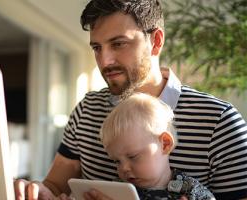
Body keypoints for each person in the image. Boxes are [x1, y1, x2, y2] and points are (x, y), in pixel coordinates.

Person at [14, 0, 247, 199]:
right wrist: (40, 190)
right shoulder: (86, 111)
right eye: (97, 47)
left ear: (156, 41)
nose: (104, 61)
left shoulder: (220, 122)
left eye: (118, 44)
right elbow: (55, 185)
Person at [100, 93, 215, 199]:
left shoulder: (190, 191)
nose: (124, 168)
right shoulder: (118, 190)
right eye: (117, 161)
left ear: (165, 144)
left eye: (133, 156)